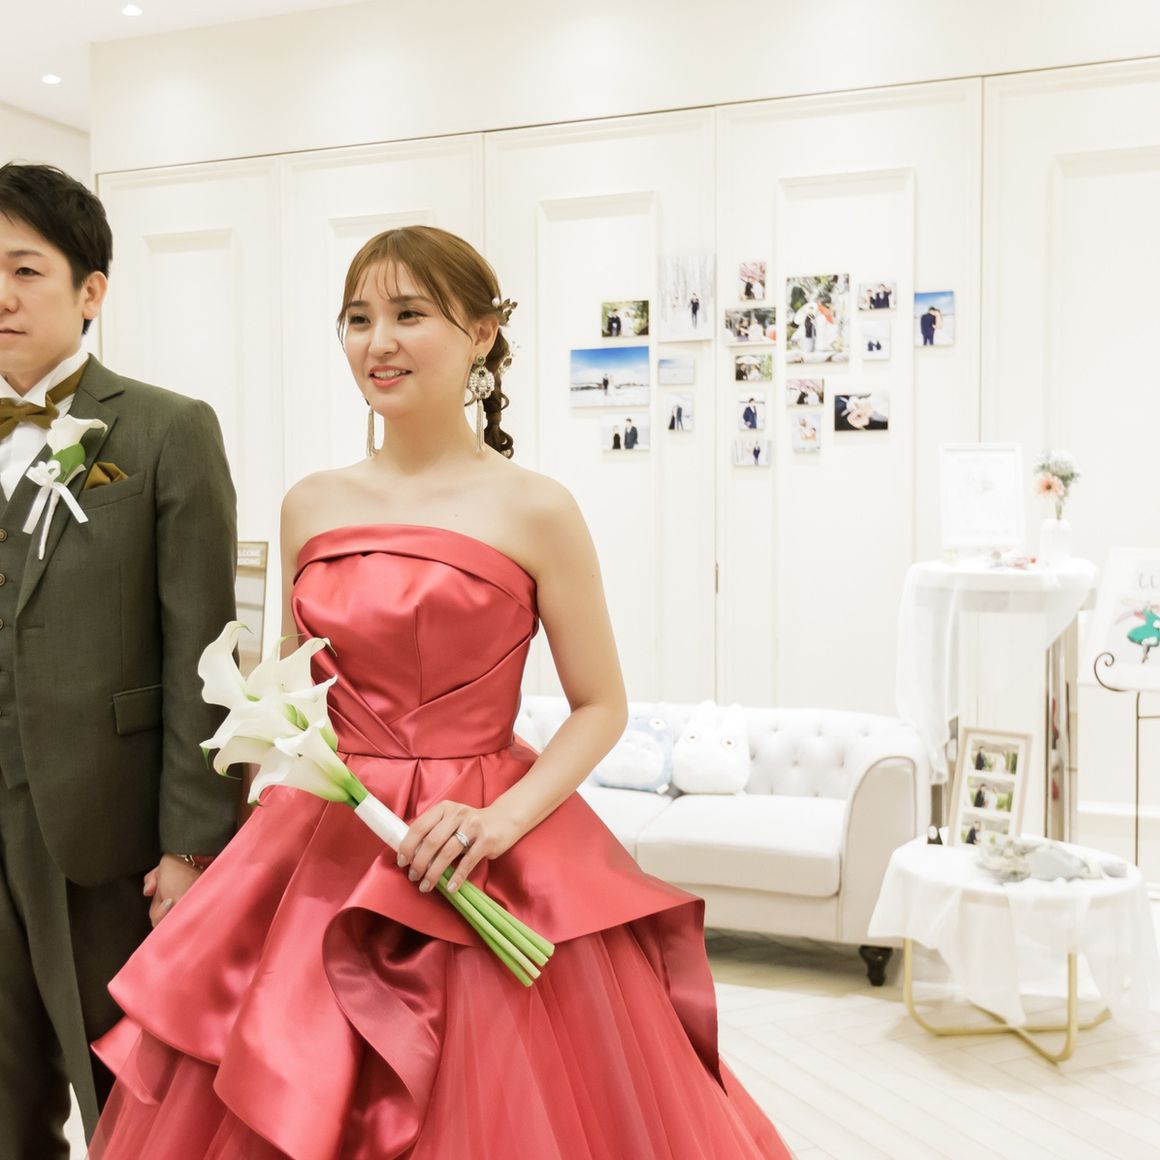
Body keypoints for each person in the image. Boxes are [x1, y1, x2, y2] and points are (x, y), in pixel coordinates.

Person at [88, 225, 790, 1158]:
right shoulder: (310, 503)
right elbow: (292, 699)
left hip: (479, 841)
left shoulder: (536, 507)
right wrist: (211, 849)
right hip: (324, 844)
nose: (378, 343)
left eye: (410, 314)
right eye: (357, 319)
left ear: (482, 334)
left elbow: (601, 705)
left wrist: (500, 823)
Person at [0, 162, 238, 1158]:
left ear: (91, 291)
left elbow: (204, 651)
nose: (2, 297)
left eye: (24, 270)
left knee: (132, 1103)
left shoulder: (165, 428)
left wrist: (192, 846)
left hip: (104, 832)